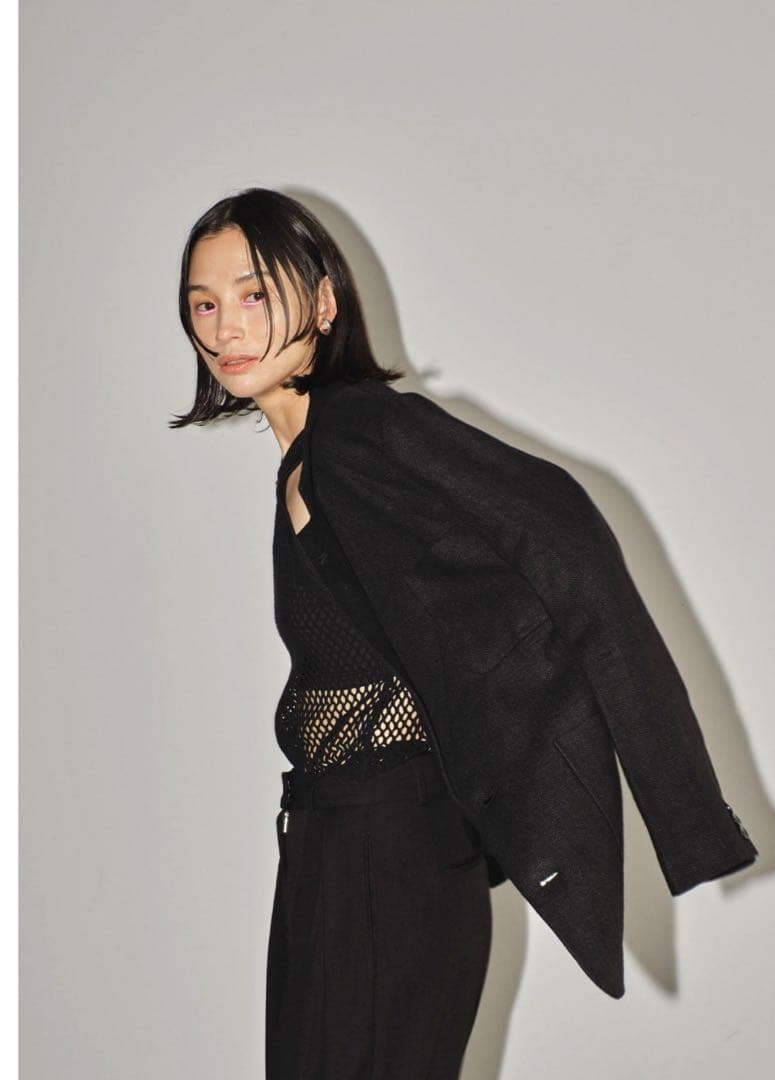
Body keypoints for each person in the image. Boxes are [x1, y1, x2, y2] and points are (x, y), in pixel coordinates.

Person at [171, 188, 493, 1079]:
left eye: (254, 294)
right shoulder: (310, 458)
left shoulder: (357, 438)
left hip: (388, 849)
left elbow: (549, 539)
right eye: (205, 304)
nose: (227, 327)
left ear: (322, 302)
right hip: (337, 836)